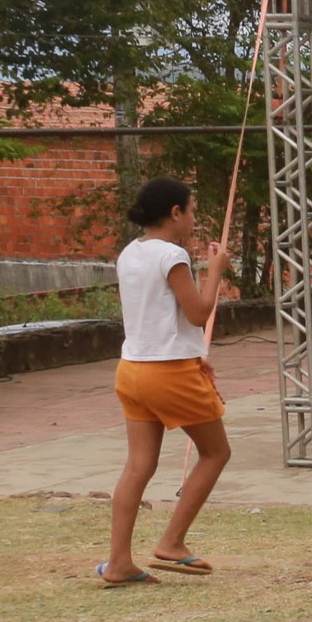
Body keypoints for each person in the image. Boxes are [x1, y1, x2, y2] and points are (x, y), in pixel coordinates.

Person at [100, 178, 232, 586]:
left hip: (133, 369)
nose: (193, 218)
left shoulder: (129, 253)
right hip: (169, 372)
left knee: (139, 465)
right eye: (191, 210)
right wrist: (216, 272)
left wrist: (196, 356)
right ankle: (172, 542)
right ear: (175, 212)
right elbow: (197, 313)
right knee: (216, 453)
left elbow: (159, 319)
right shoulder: (172, 255)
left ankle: (119, 561)